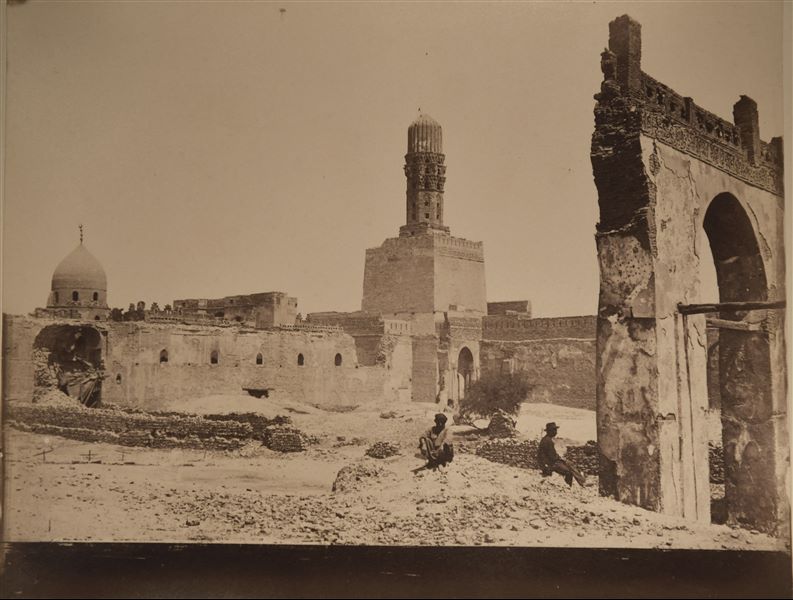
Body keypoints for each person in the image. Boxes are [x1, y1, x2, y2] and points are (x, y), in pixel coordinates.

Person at [537, 422, 586, 487]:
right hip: (550, 464)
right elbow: (552, 457)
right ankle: (571, 485)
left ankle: (582, 481)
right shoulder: (547, 441)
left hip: (550, 462)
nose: (556, 432)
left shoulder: (546, 440)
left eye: (556, 430)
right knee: (568, 471)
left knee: (569, 464)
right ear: (549, 431)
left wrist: (561, 459)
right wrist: (561, 459)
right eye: (554, 430)